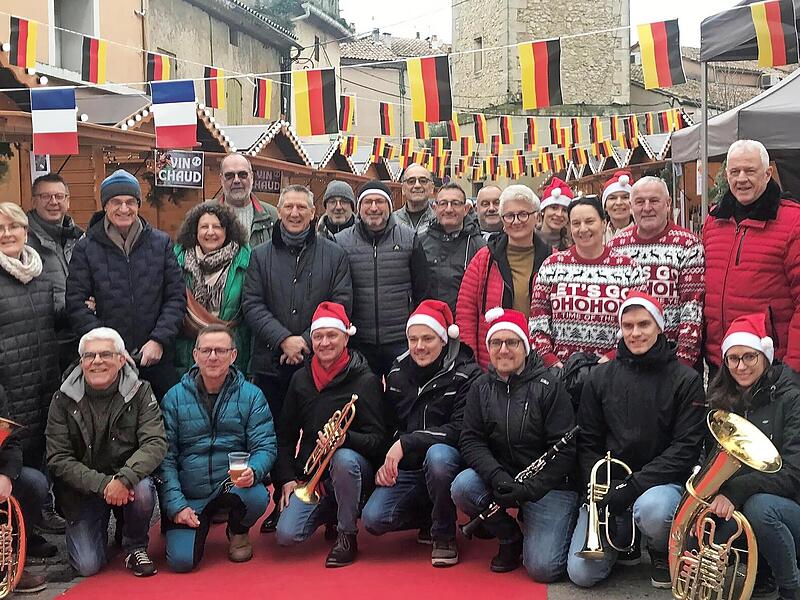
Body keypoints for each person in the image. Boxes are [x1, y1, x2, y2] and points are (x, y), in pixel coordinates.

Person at [567, 292, 705, 589]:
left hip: (659, 486)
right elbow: (588, 441)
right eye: (628, 325)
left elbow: (685, 449)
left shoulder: (686, 379)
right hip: (613, 487)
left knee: (653, 510)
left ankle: (657, 546)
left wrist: (633, 487)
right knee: (581, 574)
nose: (635, 333)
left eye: (644, 324)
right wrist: (598, 491)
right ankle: (622, 537)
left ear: (659, 327)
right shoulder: (600, 377)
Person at [243, 183, 352, 532]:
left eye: (301, 208)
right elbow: (252, 304)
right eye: (287, 207)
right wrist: (283, 340)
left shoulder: (334, 255)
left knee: (325, 433)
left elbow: (341, 302)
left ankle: (330, 503)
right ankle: (283, 500)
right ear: (279, 210)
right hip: (271, 362)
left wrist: (306, 341)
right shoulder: (259, 255)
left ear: (312, 212)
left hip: (319, 361)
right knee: (279, 433)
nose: (293, 214)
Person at [451, 308, 578, 579]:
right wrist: (497, 476)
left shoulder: (549, 386)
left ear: (526, 346)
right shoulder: (480, 387)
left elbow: (564, 450)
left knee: (544, 568)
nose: (504, 350)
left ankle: (541, 520)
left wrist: (529, 489)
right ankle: (510, 537)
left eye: (512, 342)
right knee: (463, 486)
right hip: (506, 477)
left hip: (548, 486)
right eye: (496, 342)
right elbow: (471, 440)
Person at [361, 300, 481, 567]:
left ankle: (444, 534)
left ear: (443, 339)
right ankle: (429, 513)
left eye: (428, 338)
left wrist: (407, 442)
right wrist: (386, 462)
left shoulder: (467, 374)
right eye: (413, 339)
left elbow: (460, 430)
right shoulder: (396, 371)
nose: (419, 346)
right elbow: (387, 424)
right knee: (373, 519)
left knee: (438, 456)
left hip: (451, 465)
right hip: (410, 468)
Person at [46, 327, 167, 577]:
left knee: (144, 490)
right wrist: (104, 485)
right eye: (90, 356)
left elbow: (155, 442)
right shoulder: (62, 398)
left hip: (129, 483)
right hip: (83, 490)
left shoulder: (141, 391)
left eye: (106, 354)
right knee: (87, 566)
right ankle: (100, 528)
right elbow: (58, 458)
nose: (97, 361)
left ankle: (135, 545)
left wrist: (123, 479)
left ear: (121, 360)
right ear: (81, 362)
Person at [274, 303, 385, 567]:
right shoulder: (301, 379)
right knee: (287, 535)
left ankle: (347, 535)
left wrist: (347, 440)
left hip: (353, 471)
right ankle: (332, 510)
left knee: (343, 458)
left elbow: (380, 441)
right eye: (318, 336)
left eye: (332, 335)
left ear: (346, 337)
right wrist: (287, 478)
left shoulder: (365, 380)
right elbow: (285, 434)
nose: (324, 342)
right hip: (314, 478)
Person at [159, 324, 276, 572]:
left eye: (221, 350)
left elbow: (265, 446)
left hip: (231, 485)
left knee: (257, 496)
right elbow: (165, 459)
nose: (213, 357)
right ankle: (183, 523)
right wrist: (177, 505)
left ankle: (238, 530)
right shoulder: (173, 397)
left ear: (233, 355)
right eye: (207, 350)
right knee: (181, 563)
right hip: (190, 493)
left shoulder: (252, 395)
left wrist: (254, 471)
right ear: (195, 355)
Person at [66, 169, 186, 401]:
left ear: (139, 204)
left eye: (130, 202)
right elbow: (76, 304)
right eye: (116, 202)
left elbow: (175, 297)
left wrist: (158, 340)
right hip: (107, 364)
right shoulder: (86, 248)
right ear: (105, 206)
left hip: (156, 360)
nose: (124, 209)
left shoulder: (160, 244)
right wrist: (110, 347)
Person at [705, 314, 800, 600]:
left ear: (765, 357)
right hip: (741, 503)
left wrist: (734, 492)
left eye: (749, 357)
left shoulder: (791, 398)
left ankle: (791, 588)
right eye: (733, 359)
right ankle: (758, 572)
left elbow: (795, 472)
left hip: (787, 507)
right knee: (703, 528)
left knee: (762, 509)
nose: (741, 366)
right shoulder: (722, 400)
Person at [704, 139, 800, 372]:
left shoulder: (793, 222)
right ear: (726, 175)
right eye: (735, 171)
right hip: (722, 362)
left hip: (770, 363)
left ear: (767, 174)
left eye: (750, 171)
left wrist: (793, 366)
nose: (741, 179)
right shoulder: (713, 222)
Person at [0, 202, 61, 568]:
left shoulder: (38, 273)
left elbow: (51, 324)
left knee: (36, 461)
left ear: (26, 231)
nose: (8, 234)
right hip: (6, 387)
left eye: (14, 227)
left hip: (41, 381)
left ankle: (30, 532)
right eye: (0, 228)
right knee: (15, 467)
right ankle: (10, 542)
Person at [529, 195, 647, 368]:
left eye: (590, 221)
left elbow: (640, 320)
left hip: (614, 370)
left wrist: (613, 356)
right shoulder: (552, 266)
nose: (583, 229)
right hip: (562, 373)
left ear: (604, 223)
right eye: (576, 223)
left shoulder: (629, 268)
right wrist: (549, 359)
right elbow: (538, 319)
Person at [609, 176, 705, 367]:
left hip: (670, 359)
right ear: (631, 206)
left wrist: (682, 363)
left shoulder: (688, 245)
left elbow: (692, 309)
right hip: (627, 358)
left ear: (667, 204)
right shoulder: (616, 246)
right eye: (639, 202)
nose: (647, 208)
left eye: (654, 201)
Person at [456, 185, 551, 370]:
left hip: (538, 363)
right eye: (509, 216)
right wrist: (470, 361)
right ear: (502, 219)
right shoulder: (484, 259)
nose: (516, 221)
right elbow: (466, 313)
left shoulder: (552, 259)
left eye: (523, 214)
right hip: (492, 362)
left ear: (537, 217)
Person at [336, 180, 416, 379]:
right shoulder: (341, 241)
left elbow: (422, 287)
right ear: (359, 208)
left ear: (389, 206)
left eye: (379, 202)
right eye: (367, 202)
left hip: (399, 339)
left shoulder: (409, 238)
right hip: (359, 339)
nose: (373, 208)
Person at [173, 203, 252, 376]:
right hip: (187, 352)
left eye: (217, 226)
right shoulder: (176, 260)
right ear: (195, 231)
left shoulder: (246, 261)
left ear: (228, 231)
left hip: (231, 350)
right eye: (204, 227)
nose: (210, 232)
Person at [25, 172, 84, 374]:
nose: (53, 202)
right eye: (45, 196)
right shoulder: (23, 242)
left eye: (59, 196)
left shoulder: (81, 239)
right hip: (41, 344)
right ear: (34, 201)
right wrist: (72, 308)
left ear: (67, 201)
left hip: (80, 339)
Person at [411, 183, 486, 315]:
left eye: (455, 203)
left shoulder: (479, 246)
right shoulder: (419, 243)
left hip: (466, 324)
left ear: (466, 209)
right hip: (429, 324)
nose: (449, 209)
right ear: (435, 208)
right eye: (443, 203)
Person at [214, 153, 278, 248]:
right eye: (229, 176)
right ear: (221, 179)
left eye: (242, 175)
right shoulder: (205, 214)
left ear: (252, 177)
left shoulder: (273, 216)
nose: (236, 180)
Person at [394, 164, 436, 231]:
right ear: (403, 189)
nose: (417, 185)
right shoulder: (391, 222)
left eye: (423, 181)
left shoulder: (440, 222)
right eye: (411, 181)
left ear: (432, 188)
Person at [537, 177, 573, 251]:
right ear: (543, 210)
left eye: (564, 210)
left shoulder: (572, 246)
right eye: (554, 208)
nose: (559, 214)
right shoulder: (528, 240)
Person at [602, 170, 634, 243]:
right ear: (605, 206)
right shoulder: (596, 236)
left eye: (625, 197)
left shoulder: (643, 234)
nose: (619, 203)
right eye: (612, 198)